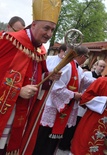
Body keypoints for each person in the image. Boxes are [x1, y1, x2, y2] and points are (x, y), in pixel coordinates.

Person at [0, 0, 62, 154]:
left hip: (19, 116)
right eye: (46, 28)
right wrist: (18, 90)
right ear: (33, 25)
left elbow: (36, 79)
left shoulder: (40, 51)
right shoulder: (10, 41)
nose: (49, 34)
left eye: (52, 30)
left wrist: (48, 79)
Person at [32, 45, 94, 155]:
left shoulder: (77, 69)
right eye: (87, 56)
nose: (87, 59)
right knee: (43, 141)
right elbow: (56, 87)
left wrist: (102, 81)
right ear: (82, 56)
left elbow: (84, 81)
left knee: (52, 143)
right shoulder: (67, 66)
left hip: (63, 109)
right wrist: (74, 95)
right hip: (55, 108)